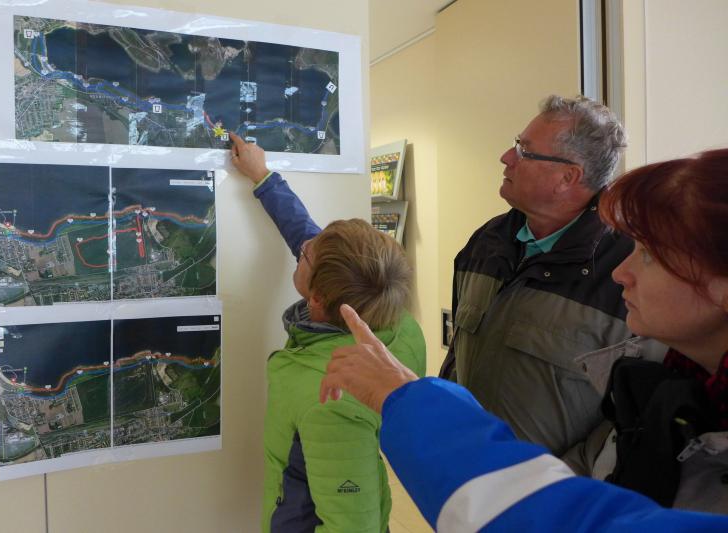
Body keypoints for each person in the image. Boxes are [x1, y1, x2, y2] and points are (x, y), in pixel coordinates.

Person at [320, 149, 728, 530]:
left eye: (650, 254)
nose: (622, 273)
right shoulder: (661, 386)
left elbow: (567, 519)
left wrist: (407, 399)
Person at [229, 132, 427, 533]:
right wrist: (263, 177)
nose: (303, 245)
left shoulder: (331, 398)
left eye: (306, 254)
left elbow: (354, 525)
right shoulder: (392, 320)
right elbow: (305, 235)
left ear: (317, 296)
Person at [439, 95, 634, 455]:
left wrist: (565, 477)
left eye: (523, 151)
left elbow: (632, 416)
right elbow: (458, 357)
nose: (506, 157)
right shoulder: (485, 243)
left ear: (568, 177)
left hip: (555, 487)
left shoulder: (629, 271)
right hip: (466, 470)